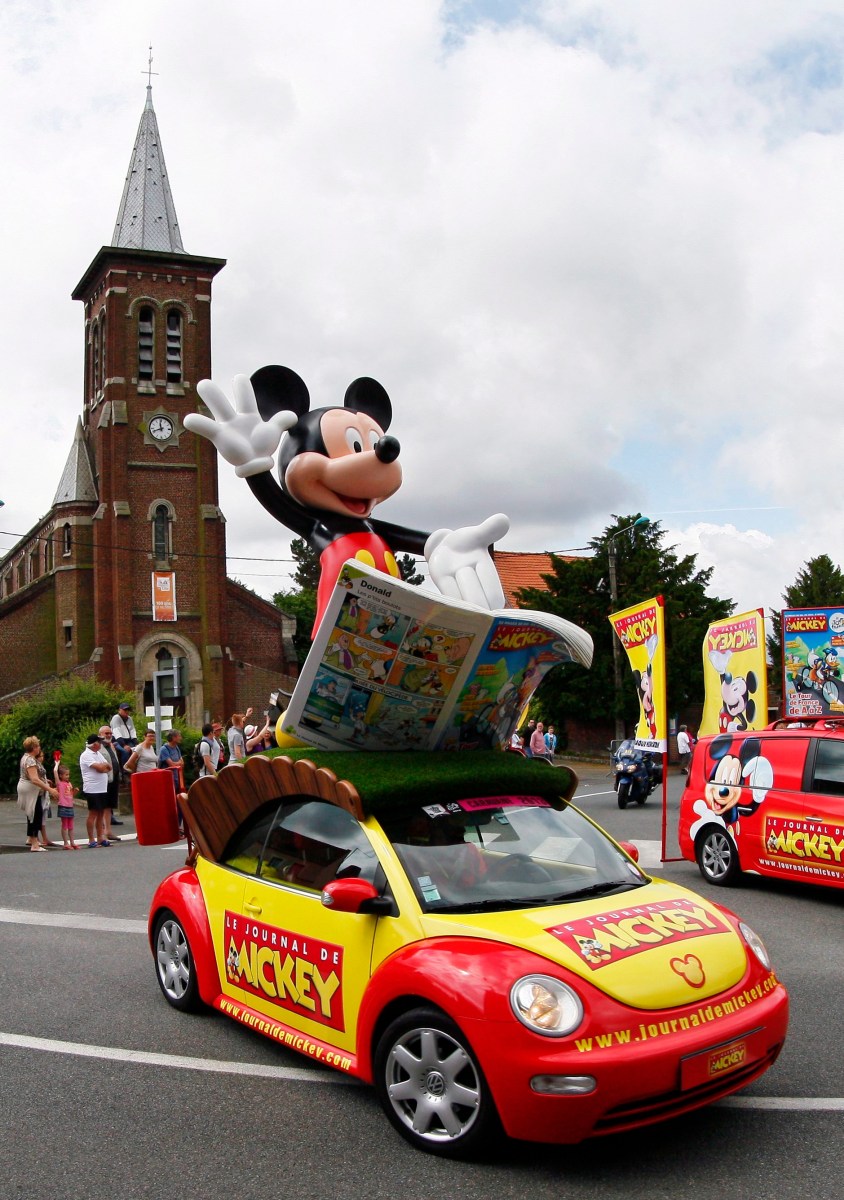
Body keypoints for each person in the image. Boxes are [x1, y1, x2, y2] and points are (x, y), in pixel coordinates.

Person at [17, 736, 55, 852]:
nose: (39, 748)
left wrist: (45, 781)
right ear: (34, 747)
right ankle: (35, 844)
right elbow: (34, 779)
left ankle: (30, 838)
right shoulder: (30, 760)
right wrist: (50, 789)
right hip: (31, 790)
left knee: (31, 814)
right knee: (35, 814)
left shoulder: (26, 757)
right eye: (38, 746)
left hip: (29, 788)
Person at [80, 732, 112, 847]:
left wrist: (103, 767)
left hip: (102, 788)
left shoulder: (98, 754)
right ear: (94, 744)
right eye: (99, 742)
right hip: (92, 789)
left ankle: (100, 837)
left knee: (101, 813)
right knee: (93, 813)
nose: (101, 743)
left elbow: (109, 766)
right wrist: (103, 767)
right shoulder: (86, 755)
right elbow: (99, 768)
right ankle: (91, 839)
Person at [97, 725, 122, 839]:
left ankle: (108, 831)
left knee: (109, 806)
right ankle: (101, 832)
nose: (108, 735)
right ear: (100, 735)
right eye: (106, 733)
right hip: (103, 780)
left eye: (110, 733)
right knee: (102, 806)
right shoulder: (98, 747)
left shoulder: (111, 745)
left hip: (113, 779)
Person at [54, 762, 79, 849]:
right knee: (65, 825)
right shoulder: (60, 784)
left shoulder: (69, 784)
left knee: (71, 825)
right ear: (61, 775)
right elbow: (55, 772)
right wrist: (56, 764)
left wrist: (75, 791)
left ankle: (72, 842)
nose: (67, 776)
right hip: (63, 806)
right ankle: (65, 842)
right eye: (66, 775)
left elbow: (71, 795)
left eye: (68, 774)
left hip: (70, 806)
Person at [110, 702, 138, 776]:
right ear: (120, 710)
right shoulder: (116, 718)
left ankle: (135, 769)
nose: (127, 712)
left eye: (128, 710)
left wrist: (136, 742)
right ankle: (125, 770)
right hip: (117, 741)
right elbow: (116, 732)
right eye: (125, 710)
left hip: (128, 740)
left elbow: (132, 731)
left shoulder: (129, 719)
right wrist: (124, 745)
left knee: (137, 751)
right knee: (124, 751)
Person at [158, 729, 185, 793]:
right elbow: (172, 765)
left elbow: (182, 763)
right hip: (168, 780)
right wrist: (179, 763)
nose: (180, 738)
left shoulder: (176, 747)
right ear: (173, 737)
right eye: (179, 736)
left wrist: (178, 763)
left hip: (177, 779)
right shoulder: (164, 749)